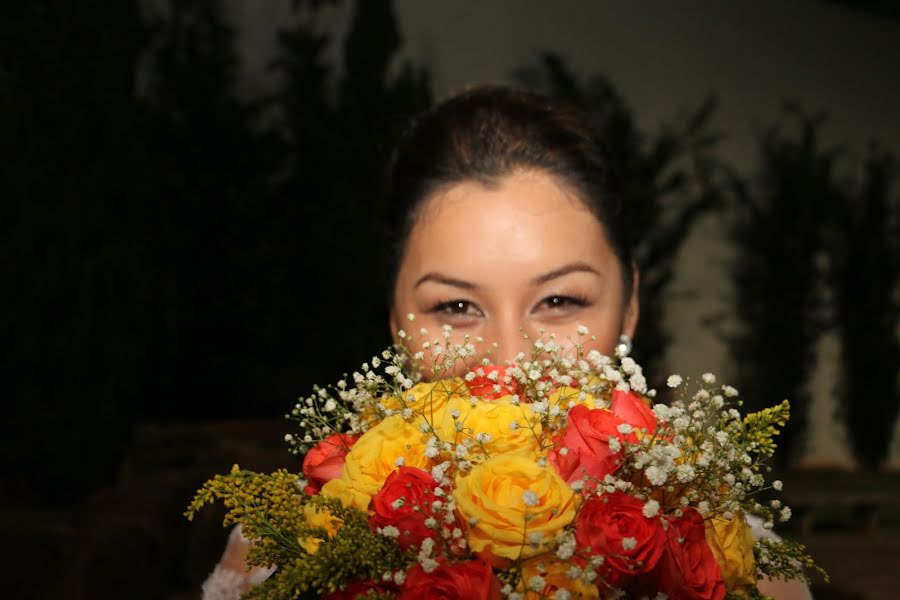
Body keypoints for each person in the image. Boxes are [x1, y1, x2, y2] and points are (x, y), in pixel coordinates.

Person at [203, 85, 813, 599]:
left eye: (559, 301)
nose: (510, 362)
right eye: (456, 306)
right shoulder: (282, 553)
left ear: (629, 306)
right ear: (395, 323)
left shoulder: (740, 567)